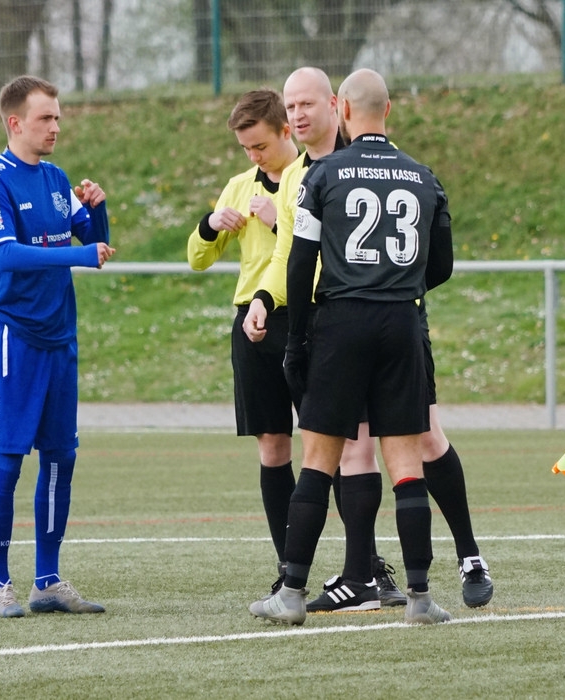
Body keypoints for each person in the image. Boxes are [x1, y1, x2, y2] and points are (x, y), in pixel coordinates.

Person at [243, 67, 492, 613]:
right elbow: (442, 264)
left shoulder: (323, 174)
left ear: (344, 110)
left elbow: (300, 261)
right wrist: (397, 286)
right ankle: (421, 596)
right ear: (389, 111)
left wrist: (298, 339)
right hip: (402, 322)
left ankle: (291, 592)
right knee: (406, 463)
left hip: (342, 322)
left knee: (319, 459)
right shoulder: (423, 176)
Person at [0, 75, 115, 618]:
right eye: (45, 118)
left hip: (60, 340)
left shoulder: (56, 179)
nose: (56, 126)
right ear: (15, 123)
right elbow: (6, 256)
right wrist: (79, 255)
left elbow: (93, 241)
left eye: (57, 117)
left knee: (61, 459)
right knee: (8, 461)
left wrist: (97, 210)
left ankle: (47, 582)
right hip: (15, 339)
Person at [186, 88, 300, 589]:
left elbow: (322, 250)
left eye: (261, 146)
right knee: (272, 446)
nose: (254, 156)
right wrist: (211, 225)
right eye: (246, 149)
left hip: (309, 319)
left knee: (336, 446)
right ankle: (289, 568)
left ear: (285, 131)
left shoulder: (311, 178)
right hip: (254, 326)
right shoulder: (238, 187)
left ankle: (362, 566)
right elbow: (197, 259)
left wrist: (278, 223)